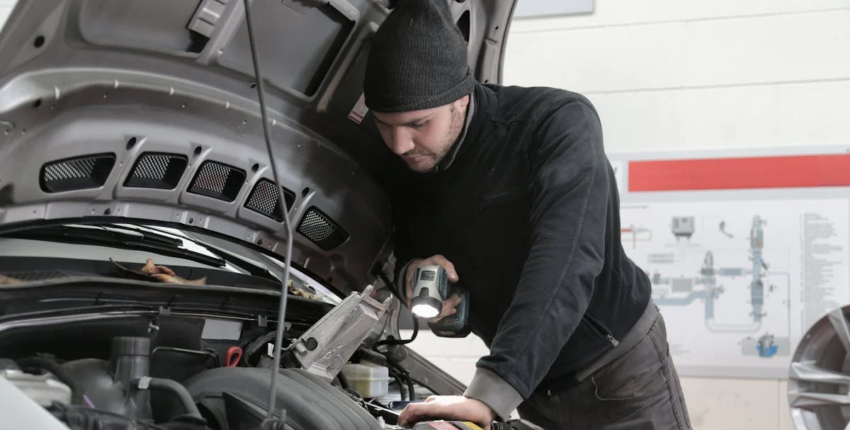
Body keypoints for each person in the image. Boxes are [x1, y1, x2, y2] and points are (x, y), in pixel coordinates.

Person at [362, 1, 692, 429]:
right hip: (533, 386)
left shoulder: (555, 125)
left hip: (619, 373)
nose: (399, 144)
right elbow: (403, 243)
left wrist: (492, 389)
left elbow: (566, 263)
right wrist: (410, 274)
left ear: (460, 98)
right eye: (385, 125)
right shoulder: (405, 163)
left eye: (418, 124)